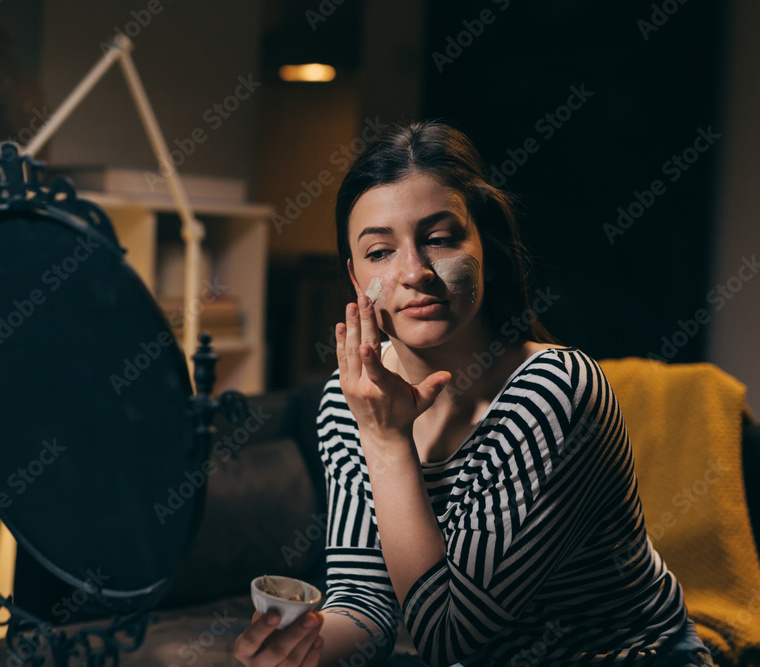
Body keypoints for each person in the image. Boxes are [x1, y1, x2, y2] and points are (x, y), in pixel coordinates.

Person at [233, 121, 714, 666]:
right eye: (379, 252)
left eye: (439, 239)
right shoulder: (349, 403)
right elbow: (366, 600)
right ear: (353, 277)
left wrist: (389, 442)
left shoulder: (554, 392)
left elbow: (448, 635)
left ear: (486, 245)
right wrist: (303, 648)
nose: (413, 271)